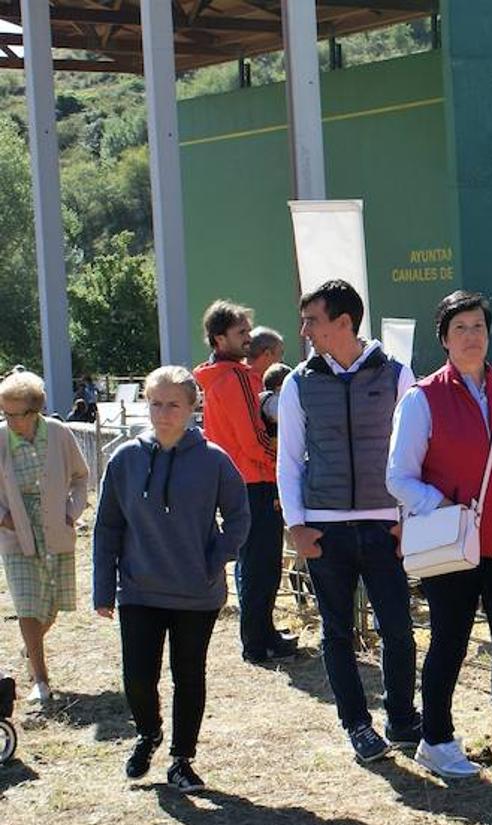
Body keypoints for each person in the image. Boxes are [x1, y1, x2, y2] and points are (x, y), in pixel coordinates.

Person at [387, 290, 492, 790]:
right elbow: (399, 477)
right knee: (450, 639)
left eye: (479, 327)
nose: (471, 337)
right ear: (443, 338)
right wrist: (444, 508)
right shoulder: (422, 398)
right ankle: (436, 740)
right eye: (460, 328)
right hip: (454, 543)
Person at [278, 279, 421, 763]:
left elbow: (417, 453)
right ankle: (357, 725)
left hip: (385, 525)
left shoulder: (399, 376)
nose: (305, 331)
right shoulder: (298, 382)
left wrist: (407, 518)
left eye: (312, 320)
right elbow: (289, 459)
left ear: (344, 322)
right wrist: (297, 526)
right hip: (325, 527)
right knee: (336, 632)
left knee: (398, 627)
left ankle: (402, 718)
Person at [93, 366, 250, 791]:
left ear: (192, 406)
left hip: (196, 592)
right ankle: (148, 732)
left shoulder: (214, 460)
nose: (163, 412)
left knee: (188, 675)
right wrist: (104, 587)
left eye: (173, 404)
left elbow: (239, 516)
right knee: (138, 676)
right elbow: (107, 526)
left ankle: (182, 759)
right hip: (139, 588)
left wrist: (214, 559)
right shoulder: (125, 459)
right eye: (155, 402)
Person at [194, 301, 295, 664]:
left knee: (257, 562)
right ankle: (256, 641)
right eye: (241, 333)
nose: (248, 339)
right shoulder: (234, 378)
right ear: (219, 338)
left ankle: (262, 633)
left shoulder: (220, 377)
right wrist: (282, 460)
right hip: (255, 480)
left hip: (239, 478)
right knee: (261, 564)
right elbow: (253, 437)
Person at [0, 371, 89, 704]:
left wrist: (71, 512)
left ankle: (31, 647)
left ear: (34, 409)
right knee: (26, 603)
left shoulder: (58, 434)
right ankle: (41, 678)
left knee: (49, 606)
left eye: (16, 414)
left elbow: (81, 477)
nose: (9, 420)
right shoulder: (1, 438)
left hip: (55, 527)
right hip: (14, 532)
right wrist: (3, 518)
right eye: (4, 413)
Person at [258, 362, 291, 439]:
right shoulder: (272, 401)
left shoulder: (265, 398)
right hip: (275, 442)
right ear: (279, 386)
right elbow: (284, 417)